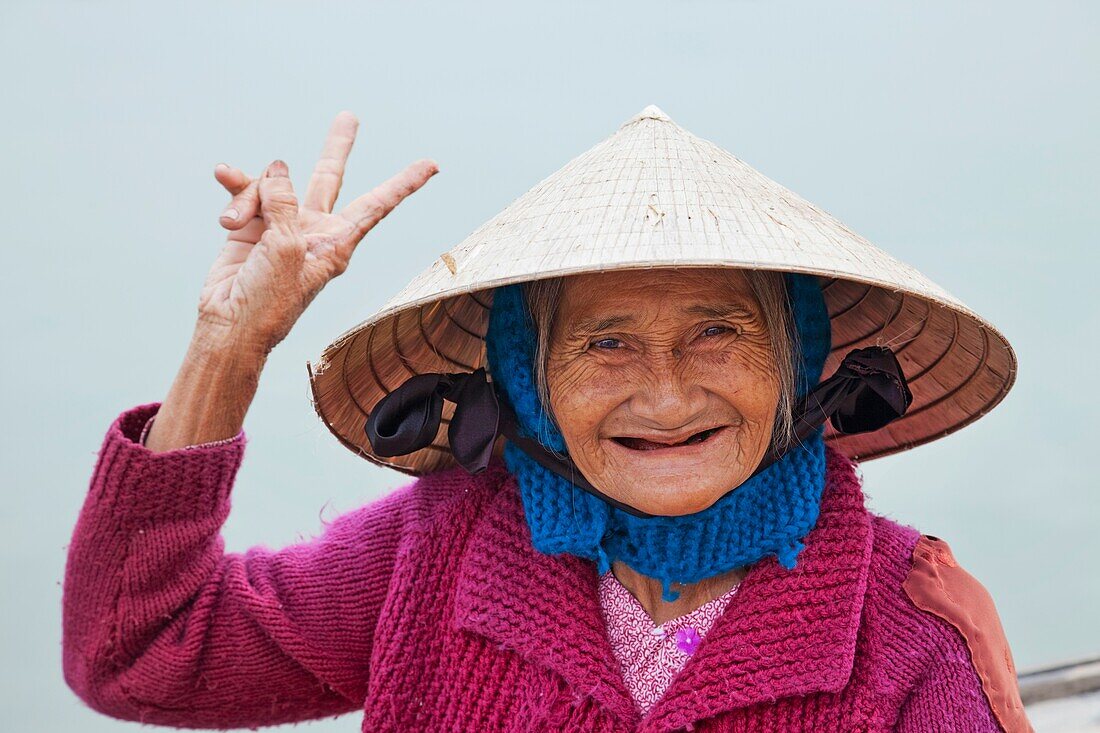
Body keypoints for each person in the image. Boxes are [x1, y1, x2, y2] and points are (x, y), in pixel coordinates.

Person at [62, 106, 1033, 732]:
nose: (662, 395)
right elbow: (139, 654)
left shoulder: (913, 629)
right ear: (528, 382)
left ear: (797, 365)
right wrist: (227, 348)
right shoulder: (436, 551)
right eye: (605, 344)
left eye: (716, 333)